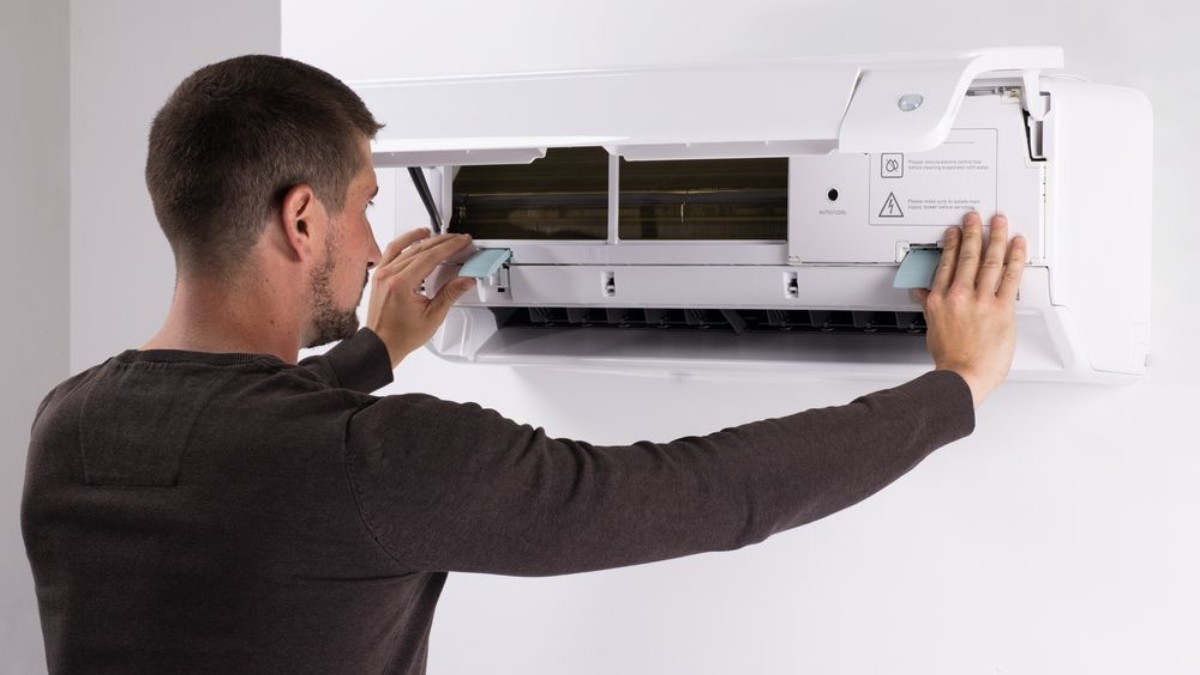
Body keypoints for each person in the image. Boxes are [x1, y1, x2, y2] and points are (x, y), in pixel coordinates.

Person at [21, 55, 1026, 675]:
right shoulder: (374, 463)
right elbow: (702, 494)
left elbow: (236, 450)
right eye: (368, 203)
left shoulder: (70, 426)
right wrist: (954, 391)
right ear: (300, 218)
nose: (377, 245)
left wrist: (376, 350)